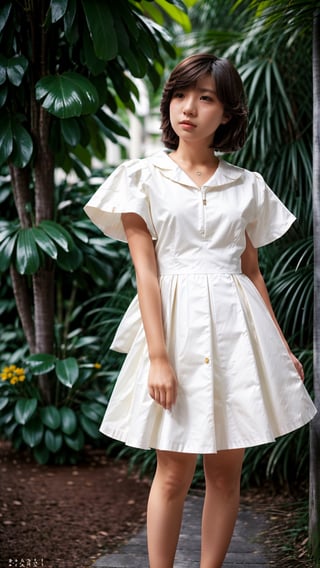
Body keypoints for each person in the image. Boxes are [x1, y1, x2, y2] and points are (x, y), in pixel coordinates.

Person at [84, 53, 317, 568]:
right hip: (176, 328)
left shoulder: (248, 185)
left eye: (206, 97)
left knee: (225, 471)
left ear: (227, 113)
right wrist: (160, 358)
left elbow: (252, 271)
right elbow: (147, 272)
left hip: (239, 332)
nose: (188, 108)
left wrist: (280, 349)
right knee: (172, 469)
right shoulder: (140, 178)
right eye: (181, 95)